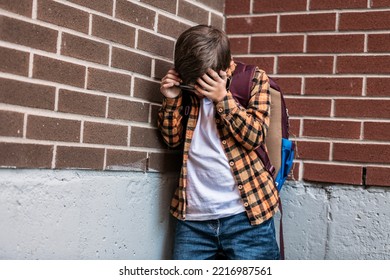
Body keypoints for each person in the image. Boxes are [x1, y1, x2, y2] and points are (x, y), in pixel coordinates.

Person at [157, 25, 280, 260]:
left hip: (246, 216)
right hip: (193, 220)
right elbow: (171, 141)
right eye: (192, 85)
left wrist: (223, 99)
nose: (196, 90)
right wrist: (172, 100)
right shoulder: (187, 85)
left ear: (223, 68)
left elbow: (255, 137)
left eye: (202, 84)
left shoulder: (253, 78)